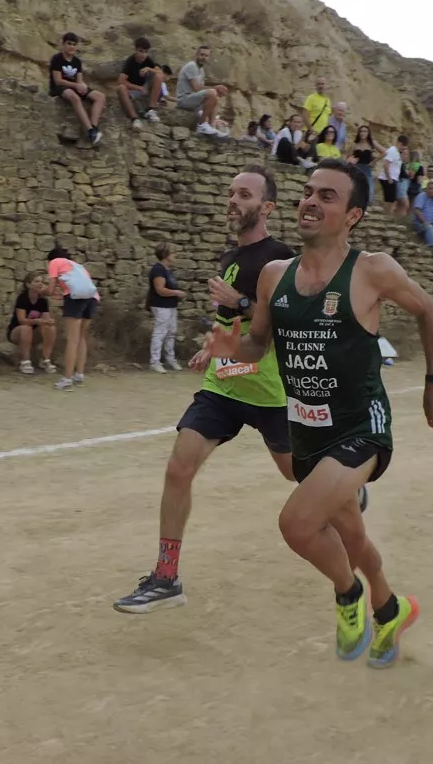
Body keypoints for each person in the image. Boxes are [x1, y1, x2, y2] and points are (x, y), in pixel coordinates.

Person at [206, 159, 433, 668]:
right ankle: (390, 609)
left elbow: (426, 309)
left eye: (327, 196)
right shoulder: (274, 276)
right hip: (306, 430)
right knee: (351, 535)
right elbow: (257, 345)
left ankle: (348, 594)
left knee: (297, 524)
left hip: (361, 427)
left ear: (353, 216)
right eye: (308, 192)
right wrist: (232, 349)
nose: (311, 202)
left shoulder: (372, 270)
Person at [115, 167, 314, 614]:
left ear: (267, 207)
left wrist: (238, 302)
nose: (233, 201)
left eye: (244, 194)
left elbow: (283, 323)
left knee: (294, 473)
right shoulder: (230, 257)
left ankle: (342, 490)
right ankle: (166, 578)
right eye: (231, 193)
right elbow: (232, 324)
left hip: (269, 390)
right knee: (178, 469)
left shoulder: (280, 258)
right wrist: (214, 344)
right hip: (223, 385)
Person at [46, 247, 99, 390]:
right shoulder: (77, 266)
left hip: (75, 298)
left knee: (72, 339)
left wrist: (43, 292)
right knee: (81, 337)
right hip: (92, 298)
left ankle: (67, 378)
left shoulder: (54, 262)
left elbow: (50, 289)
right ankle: (79, 375)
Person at [48, 33, 105, 147]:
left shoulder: (77, 62)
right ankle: (90, 130)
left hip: (74, 86)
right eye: (69, 44)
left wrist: (82, 86)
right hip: (59, 88)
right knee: (75, 97)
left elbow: (79, 80)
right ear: (63, 44)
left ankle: (94, 127)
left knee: (100, 96)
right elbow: (58, 80)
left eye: (74, 44)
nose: (71, 47)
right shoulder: (57, 59)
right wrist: (76, 85)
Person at [7, 271, 56, 375]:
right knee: (26, 327)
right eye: (37, 281)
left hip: (34, 333)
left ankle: (45, 360)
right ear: (28, 284)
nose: (40, 284)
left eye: (42, 282)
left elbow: (46, 318)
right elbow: (21, 320)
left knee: (50, 328)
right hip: (18, 332)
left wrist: (49, 321)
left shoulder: (43, 301)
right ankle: (25, 362)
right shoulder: (22, 298)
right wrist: (37, 321)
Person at [175, 46, 230, 137]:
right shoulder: (191, 66)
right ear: (196, 55)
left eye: (206, 56)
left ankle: (211, 127)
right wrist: (215, 88)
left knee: (215, 98)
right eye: (202, 55)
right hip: (184, 100)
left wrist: (215, 92)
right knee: (212, 93)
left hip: (193, 101)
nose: (204, 58)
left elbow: (201, 90)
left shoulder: (201, 70)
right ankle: (201, 125)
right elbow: (197, 88)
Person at [147, 243, 184, 373]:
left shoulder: (167, 270)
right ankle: (155, 362)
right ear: (165, 255)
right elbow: (160, 290)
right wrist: (177, 293)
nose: (175, 255)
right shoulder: (158, 270)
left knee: (171, 333)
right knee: (160, 332)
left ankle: (170, 359)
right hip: (161, 306)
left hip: (170, 306)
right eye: (173, 253)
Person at [116, 37, 165, 128]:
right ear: (136, 50)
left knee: (158, 76)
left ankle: (151, 110)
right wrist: (138, 88)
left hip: (145, 87)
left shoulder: (148, 60)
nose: (143, 55)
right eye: (141, 51)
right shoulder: (130, 61)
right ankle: (135, 119)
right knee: (121, 88)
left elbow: (161, 73)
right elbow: (120, 81)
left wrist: (149, 69)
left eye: (146, 52)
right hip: (133, 90)